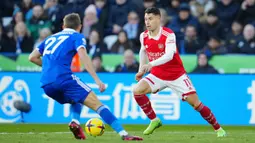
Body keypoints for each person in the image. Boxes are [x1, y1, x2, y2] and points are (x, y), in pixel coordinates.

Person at [28, 13, 142, 141]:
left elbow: (32, 57)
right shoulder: (76, 36)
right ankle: (124, 134)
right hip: (63, 78)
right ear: (80, 26)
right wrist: (97, 80)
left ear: (63, 26)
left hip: (46, 84)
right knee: (98, 105)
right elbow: (83, 56)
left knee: (76, 98)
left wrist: (50, 67)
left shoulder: (50, 38)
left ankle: (75, 122)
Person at [133, 7, 226, 137]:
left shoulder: (168, 34)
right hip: (158, 74)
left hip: (176, 75)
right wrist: (141, 70)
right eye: (146, 19)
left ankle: (218, 128)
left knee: (196, 104)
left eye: (150, 19)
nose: (147, 22)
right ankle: (155, 120)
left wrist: (151, 64)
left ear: (159, 19)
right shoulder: (143, 36)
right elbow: (143, 51)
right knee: (137, 90)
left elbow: (169, 55)